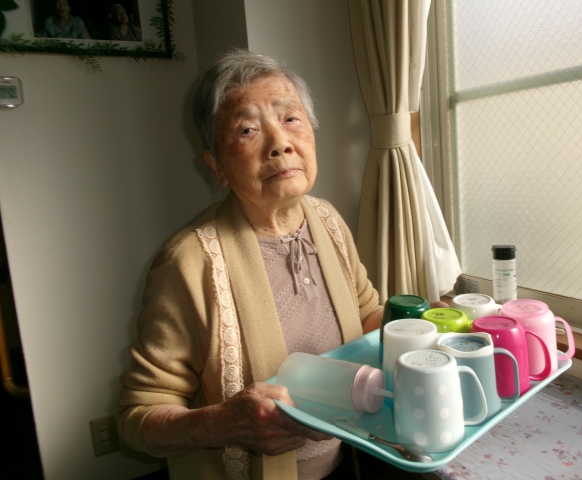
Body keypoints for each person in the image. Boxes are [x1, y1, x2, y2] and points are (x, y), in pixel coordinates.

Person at [118, 49, 445, 480]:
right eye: (248, 130)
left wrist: (424, 331)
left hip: (350, 459)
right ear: (216, 165)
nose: (280, 143)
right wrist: (225, 423)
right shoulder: (188, 263)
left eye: (291, 118)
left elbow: (365, 313)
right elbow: (137, 418)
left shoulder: (327, 220)